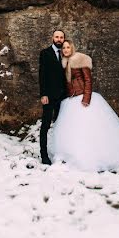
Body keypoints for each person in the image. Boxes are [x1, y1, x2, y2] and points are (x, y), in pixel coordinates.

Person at [47, 40, 119, 171]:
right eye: (64, 48)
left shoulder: (81, 59)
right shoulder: (63, 63)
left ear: (72, 48)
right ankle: (72, 155)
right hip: (71, 99)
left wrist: (86, 97)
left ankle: (99, 157)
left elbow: (88, 79)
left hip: (82, 97)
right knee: (75, 130)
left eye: (68, 47)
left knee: (91, 128)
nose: (65, 50)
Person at [38, 30, 68, 165]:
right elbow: (42, 75)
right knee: (45, 125)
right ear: (52, 38)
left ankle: (61, 153)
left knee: (62, 125)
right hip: (49, 97)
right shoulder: (45, 53)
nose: (59, 39)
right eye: (57, 37)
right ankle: (44, 155)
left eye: (61, 37)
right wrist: (43, 94)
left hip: (63, 97)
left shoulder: (66, 53)